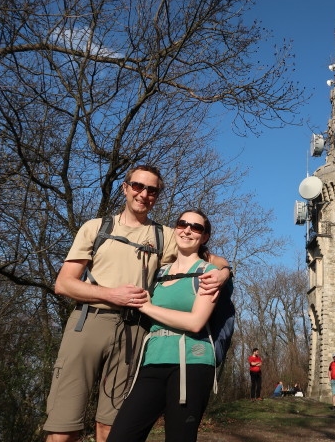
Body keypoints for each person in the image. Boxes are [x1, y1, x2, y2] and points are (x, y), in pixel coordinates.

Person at [43, 165, 230, 442]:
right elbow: (64, 284)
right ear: (125, 187)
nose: (143, 194)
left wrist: (224, 273)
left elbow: (210, 259)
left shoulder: (165, 235)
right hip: (90, 321)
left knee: (112, 423)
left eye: (152, 190)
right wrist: (110, 294)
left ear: (157, 196)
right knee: (64, 424)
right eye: (137, 186)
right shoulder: (96, 228)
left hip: (135, 331)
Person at [107, 209, 224, 442]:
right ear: (175, 229)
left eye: (196, 227)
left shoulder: (208, 273)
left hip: (192, 362)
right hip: (152, 361)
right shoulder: (159, 272)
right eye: (182, 224)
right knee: (121, 435)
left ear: (205, 237)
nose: (188, 230)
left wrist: (148, 308)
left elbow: (195, 322)